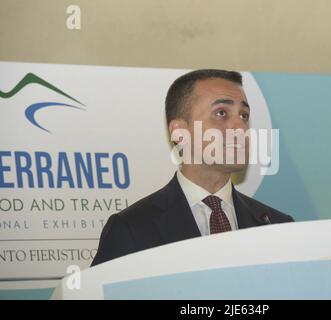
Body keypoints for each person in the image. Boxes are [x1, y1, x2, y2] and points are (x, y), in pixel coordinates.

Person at [91, 69, 294, 266]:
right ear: (180, 132)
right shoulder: (131, 228)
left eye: (244, 116)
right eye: (221, 113)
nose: (240, 128)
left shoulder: (277, 226)